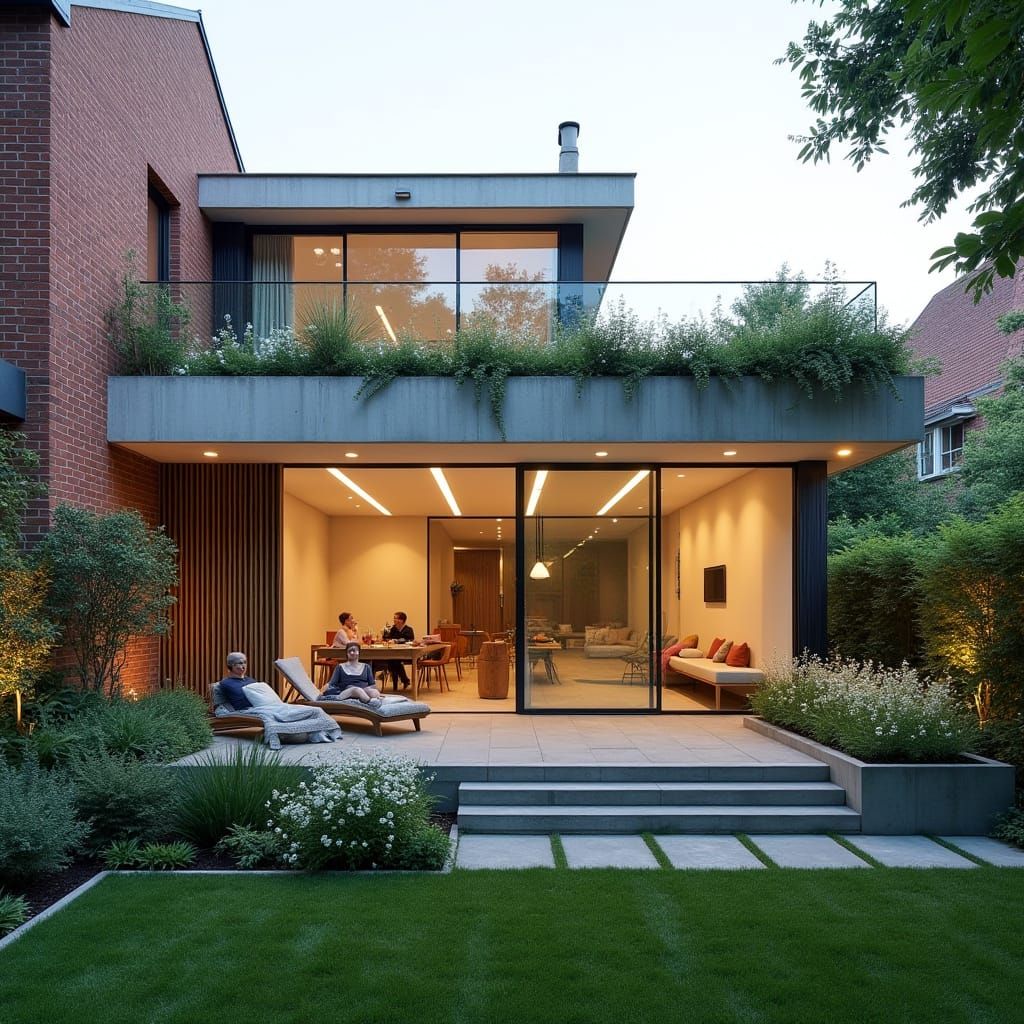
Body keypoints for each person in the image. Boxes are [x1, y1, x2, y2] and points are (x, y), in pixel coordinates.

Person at [383, 611, 415, 690]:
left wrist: (397, 641)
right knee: (393, 661)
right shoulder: (393, 629)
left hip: (406, 653)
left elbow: (410, 639)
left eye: (395, 618)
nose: (394, 620)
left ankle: (399, 683)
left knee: (394, 661)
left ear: (401, 620)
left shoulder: (408, 629)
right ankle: (404, 680)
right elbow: (389, 638)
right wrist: (385, 636)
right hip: (394, 653)